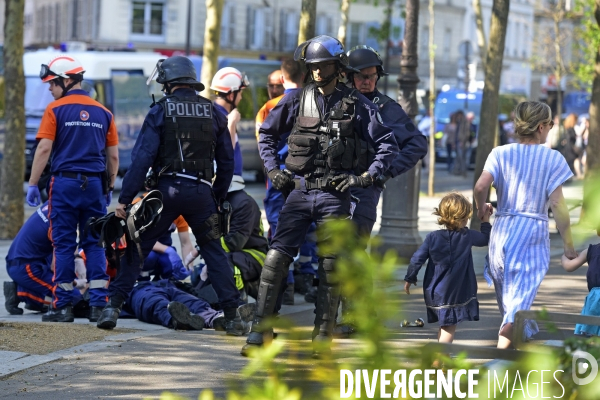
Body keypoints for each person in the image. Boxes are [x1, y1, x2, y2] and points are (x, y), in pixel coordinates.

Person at [242, 35, 398, 357]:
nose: (315, 72)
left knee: (331, 264)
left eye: (322, 65)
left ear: (337, 67)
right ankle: (260, 332)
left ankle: (322, 338)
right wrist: (272, 170)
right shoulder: (297, 100)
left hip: (334, 195)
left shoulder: (358, 105)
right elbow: (267, 134)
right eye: (312, 66)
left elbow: (387, 145)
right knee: (276, 256)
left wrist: (365, 176)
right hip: (298, 191)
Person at [96, 56, 244, 336]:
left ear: (167, 83)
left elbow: (142, 159)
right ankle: (234, 316)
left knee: (138, 248)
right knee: (214, 253)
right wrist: (216, 196)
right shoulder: (214, 112)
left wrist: (125, 201)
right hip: (202, 193)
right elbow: (226, 163)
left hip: (165, 193)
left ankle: (111, 308)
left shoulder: (160, 111)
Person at [474, 101, 577, 349]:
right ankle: (504, 348)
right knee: (520, 297)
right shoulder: (552, 159)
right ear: (541, 127)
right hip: (531, 231)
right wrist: (568, 245)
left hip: (501, 231)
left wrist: (481, 210)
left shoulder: (500, 153)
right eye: (551, 124)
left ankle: (514, 335)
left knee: (510, 297)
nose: (551, 128)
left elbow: (480, 187)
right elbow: (557, 205)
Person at [27, 55, 119, 322]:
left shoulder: (55, 111)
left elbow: (44, 149)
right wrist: (110, 185)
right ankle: (99, 306)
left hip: (65, 183)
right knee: (95, 242)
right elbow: (113, 156)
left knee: (64, 244)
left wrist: (33, 183)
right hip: (94, 186)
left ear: (66, 80)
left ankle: (63, 306)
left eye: (52, 84)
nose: (49, 89)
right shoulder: (104, 112)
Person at [346, 45, 427, 237]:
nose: (366, 81)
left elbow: (417, 143)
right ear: (349, 77)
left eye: (371, 76)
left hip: (363, 190)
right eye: (361, 76)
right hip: (332, 187)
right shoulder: (336, 101)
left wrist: (383, 173)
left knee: (352, 250)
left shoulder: (385, 108)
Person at [255, 59, 317, 303]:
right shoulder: (316, 102)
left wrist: (270, 172)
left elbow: (264, 142)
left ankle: (285, 283)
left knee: (279, 229)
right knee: (310, 227)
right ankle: (307, 275)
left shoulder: (271, 106)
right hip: (309, 177)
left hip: (279, 176)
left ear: (282, 79)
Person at [404, 193, 492, 343]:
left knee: (444, 324)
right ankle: (441, 357)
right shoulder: (467, 236)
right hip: (455, 292)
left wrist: (410, 278)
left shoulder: (432, 237)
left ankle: (440, 353)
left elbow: (416, 259)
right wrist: (485, 220)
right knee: (448, 327)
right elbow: (485, 238)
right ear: (465, 217)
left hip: (435, 291)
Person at [184, 175, 268, 301]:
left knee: (222, 263)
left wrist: (201, 249)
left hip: (255, 254)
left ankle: (238, 300)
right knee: (198, 276)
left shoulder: (243, 204)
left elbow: (233, 243)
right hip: (235, 254)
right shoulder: (222, 202)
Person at [121, 279, 254, 331]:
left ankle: (219, 319)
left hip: (171, 284)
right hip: (137, 290)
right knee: (157, 304)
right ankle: (179, 320)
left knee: (195, 303)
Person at [561, 226, 600, 337]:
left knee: (592, 335)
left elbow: (569, 266)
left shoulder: (591, 251)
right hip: (595, 299)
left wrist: (565, 256)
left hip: (595, 299)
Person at [211, 67, 250, 176]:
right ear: (231, 95)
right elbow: (226, 152)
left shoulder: (218, 113)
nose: (241, 97)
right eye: (240, 93)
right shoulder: (219, 117)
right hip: (229, 183)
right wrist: (231, 123)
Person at [139, 216, 192, 282]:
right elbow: (142, 239)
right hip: (145, 248)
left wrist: (189, 267)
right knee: (149, 257)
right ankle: (142, 281)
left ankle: (164, 282)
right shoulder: (148, 210)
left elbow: (185, 243)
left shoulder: (179, 215)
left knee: (172, 265)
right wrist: (169, 250)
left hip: (164, 251)